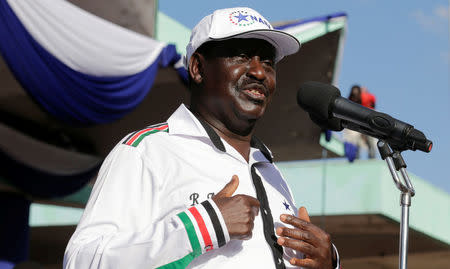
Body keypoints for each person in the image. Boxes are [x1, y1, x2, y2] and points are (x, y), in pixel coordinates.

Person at [64, 7, 340, 269]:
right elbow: (80, 261)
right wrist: (203, 225)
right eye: (242, 57)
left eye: (268, 63)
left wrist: (326, 262)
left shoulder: (272, 172)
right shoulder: (147, 150)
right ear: (197, 68)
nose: (259, 72)